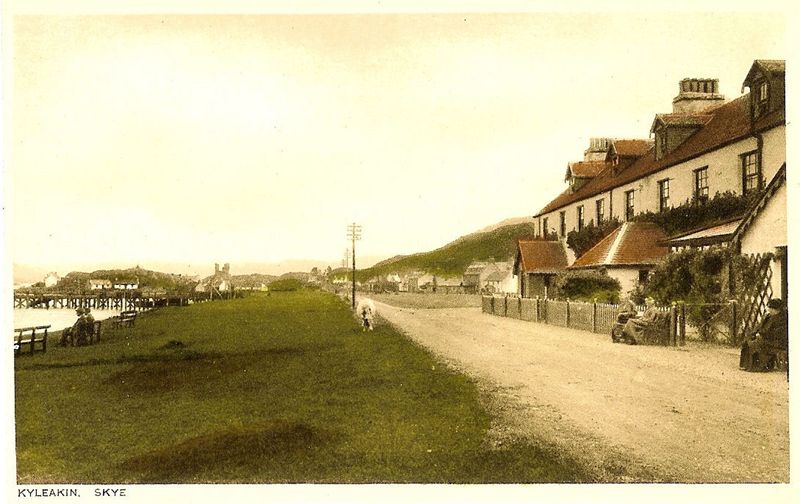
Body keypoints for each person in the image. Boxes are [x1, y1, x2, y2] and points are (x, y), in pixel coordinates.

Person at [740, 298, 788, 372]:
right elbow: (760, 327)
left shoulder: (782, 318)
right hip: (768, 338)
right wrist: (755, 333)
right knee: (748, 341)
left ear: (777, 309)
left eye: (771, 308)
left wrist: (761, 335)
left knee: (755, 344)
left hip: (776, 341)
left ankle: (758, 366)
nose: (770, 310)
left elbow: (777, 333)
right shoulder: (770, 316)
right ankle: (746, 365)